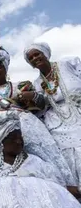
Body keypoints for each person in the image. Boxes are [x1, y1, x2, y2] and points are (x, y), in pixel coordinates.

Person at [0, 46, 74, 185]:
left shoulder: (19, 85)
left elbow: (42, 103)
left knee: (39, 154)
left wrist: (30, 96)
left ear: (5, 68)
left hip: (21, 123)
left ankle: (60, 184)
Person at [0, 116, 81, 208]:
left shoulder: (34, 161)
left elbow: (57, 187)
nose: (19, 141)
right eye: (13, 138)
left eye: (20, 137)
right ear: (2, 142)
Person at [24, 42, 81, 187]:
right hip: (58, 122)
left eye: (37, 54)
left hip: (78, 112)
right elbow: (42, 106)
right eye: (31, 58)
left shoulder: (67, 64)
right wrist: (33, 97)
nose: (35, 58)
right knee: (70, 159)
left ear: (45, 53)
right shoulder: (38, 84)